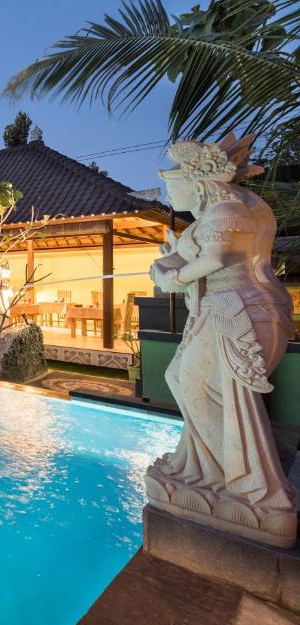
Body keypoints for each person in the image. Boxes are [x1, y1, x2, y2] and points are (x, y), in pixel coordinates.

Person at [147, 134, 296, 548]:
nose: (167, 189)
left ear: (197, 181)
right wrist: (167, 264)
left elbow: (211, 261)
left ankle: (247, 486)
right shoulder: (212, 217)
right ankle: (210, 470)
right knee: (181, 377)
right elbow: (188, 254)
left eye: (171, 180)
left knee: (193, 384)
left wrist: (170, 278)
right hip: (221, 311)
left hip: (238, 312)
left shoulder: (228, 210)